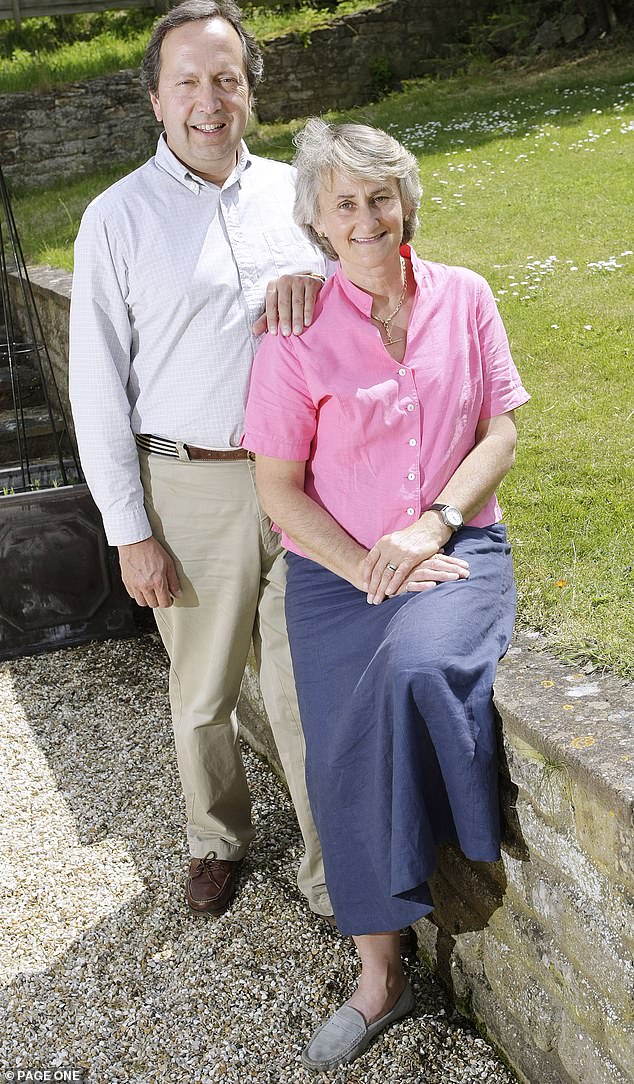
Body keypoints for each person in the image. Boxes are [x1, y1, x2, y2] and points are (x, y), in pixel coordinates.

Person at [243, 118, 531, 1071]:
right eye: (344, 204)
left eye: (381, 197)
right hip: (337, 573)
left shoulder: (467, 295)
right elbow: (278, 485)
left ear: (405, 202)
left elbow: (500, 432)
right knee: (338, 741)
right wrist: (369, 559)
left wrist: (431, 526)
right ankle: (381, 976)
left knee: (416, 665)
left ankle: (455, 866)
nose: (367, 218)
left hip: (457, 545)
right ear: (319, 225)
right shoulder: (294, 333)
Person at [68, 0, 334, 923]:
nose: (208, 101)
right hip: (185, 486)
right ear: (155, 98)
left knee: (306, 693)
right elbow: (97, 388)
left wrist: (322, 280)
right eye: (188, 81)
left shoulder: (298, 198)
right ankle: (216, 840)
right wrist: (130, 533)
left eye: (226, 79)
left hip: (302, 481)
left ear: (250, 92)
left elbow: (364, 307)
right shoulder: (114, 220)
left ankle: (331, 876)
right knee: (204, 694)